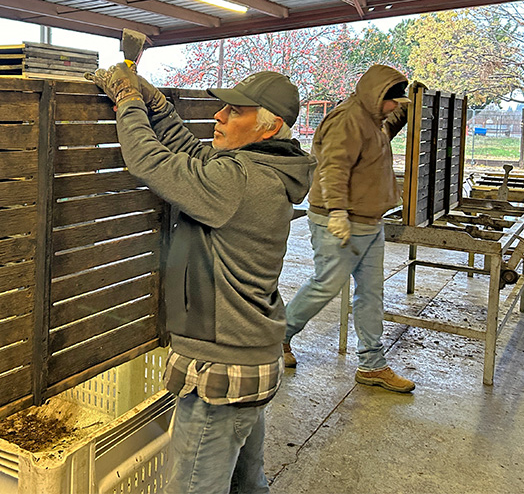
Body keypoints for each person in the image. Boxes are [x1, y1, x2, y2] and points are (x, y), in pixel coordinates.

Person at [90, 65, 314, 494]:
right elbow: (191, 152)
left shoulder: (240, 181)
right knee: (247, 485)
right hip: (247, 355)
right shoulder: (263, 167)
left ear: (270, 128)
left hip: (222, 368)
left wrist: (128, 101)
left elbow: (149, 161)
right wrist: (157, 107)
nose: (219, 116)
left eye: (235, 111)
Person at [282, 64, 416, 393]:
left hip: (369, 221)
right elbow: (332, 168)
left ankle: (372, 364)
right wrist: (338, 211)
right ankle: (277, 337)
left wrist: (412, 103)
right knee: (325, 285)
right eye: (393, 100)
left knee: (371, 293)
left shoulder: (374, 118)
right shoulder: (347, 120)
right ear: (377, 96)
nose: (394, 107)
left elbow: (389, 122)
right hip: (339, 220)